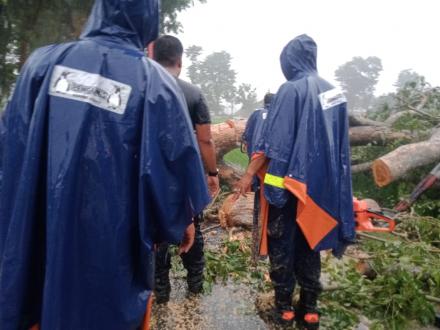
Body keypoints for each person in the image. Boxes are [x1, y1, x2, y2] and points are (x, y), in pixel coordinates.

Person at [0, 1, 211, 329]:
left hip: (42, 228)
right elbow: (172, 170)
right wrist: (183, 220)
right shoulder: (154, 83)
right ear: (148, 18)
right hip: (111, 242)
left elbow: (11, 147)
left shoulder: (40, 65)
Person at [235, 35, 355, 330]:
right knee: (310, 245)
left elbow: (273, 143)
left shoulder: (289, 90)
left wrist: (250, 174)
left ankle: (285, 310)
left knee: (282, 247)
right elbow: (340, 146)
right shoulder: (335, 93)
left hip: (286, 190)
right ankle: (311, 311)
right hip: (319, 190)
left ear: (289, 60)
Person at [152, 35, 219, 303]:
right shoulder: (193, 93)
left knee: (157, 233)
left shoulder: (144, 89)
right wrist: (212, 174)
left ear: (153, 58)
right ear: (180, 60)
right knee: (193, 226)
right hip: (186, 175)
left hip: (153, 175)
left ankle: (162, 292)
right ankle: (194, 287)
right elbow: (206, 139)